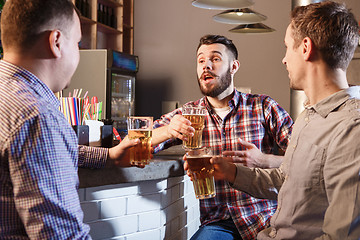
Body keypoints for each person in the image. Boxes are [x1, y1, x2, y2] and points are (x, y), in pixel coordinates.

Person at [210, 1, 360, 239]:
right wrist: (233, 173)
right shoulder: (309, 115)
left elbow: (342, 236)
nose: (284, 59)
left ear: (305, 48)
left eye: (287, 47)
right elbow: (284, 179)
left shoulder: (352, 129)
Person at [0, 0, 144, 238]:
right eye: (78, 43)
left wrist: (108, 155)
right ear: (56, 42)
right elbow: (62, 235)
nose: (79, 53)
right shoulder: (38, 117)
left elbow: (26, 153)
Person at [151, 34, 293, 239]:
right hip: (217, 225)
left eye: (215, 59)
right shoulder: (188, 113)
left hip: (266, 219)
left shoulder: (263, 106)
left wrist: (264, 160)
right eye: (201, 60)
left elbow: (305, 161)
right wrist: (167, 130)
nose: (206, 66)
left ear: (234, 67)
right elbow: (136, 142)